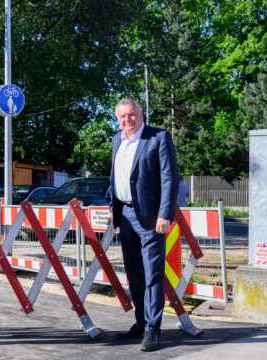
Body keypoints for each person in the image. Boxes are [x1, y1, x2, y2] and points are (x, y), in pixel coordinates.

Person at [110, 98, 179, 352]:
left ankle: (153, 329)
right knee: (135, 274)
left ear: (141, 113)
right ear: (118, 119)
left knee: (152, 275)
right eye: (122, 116)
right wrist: (113, 209)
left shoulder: (158, 137)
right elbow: (115, 178)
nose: (127, 120)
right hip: (126, 218)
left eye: (132, 114)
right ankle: (140, 322)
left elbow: (169, 178)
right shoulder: (117, 140)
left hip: (151, 218)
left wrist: (165, 215)